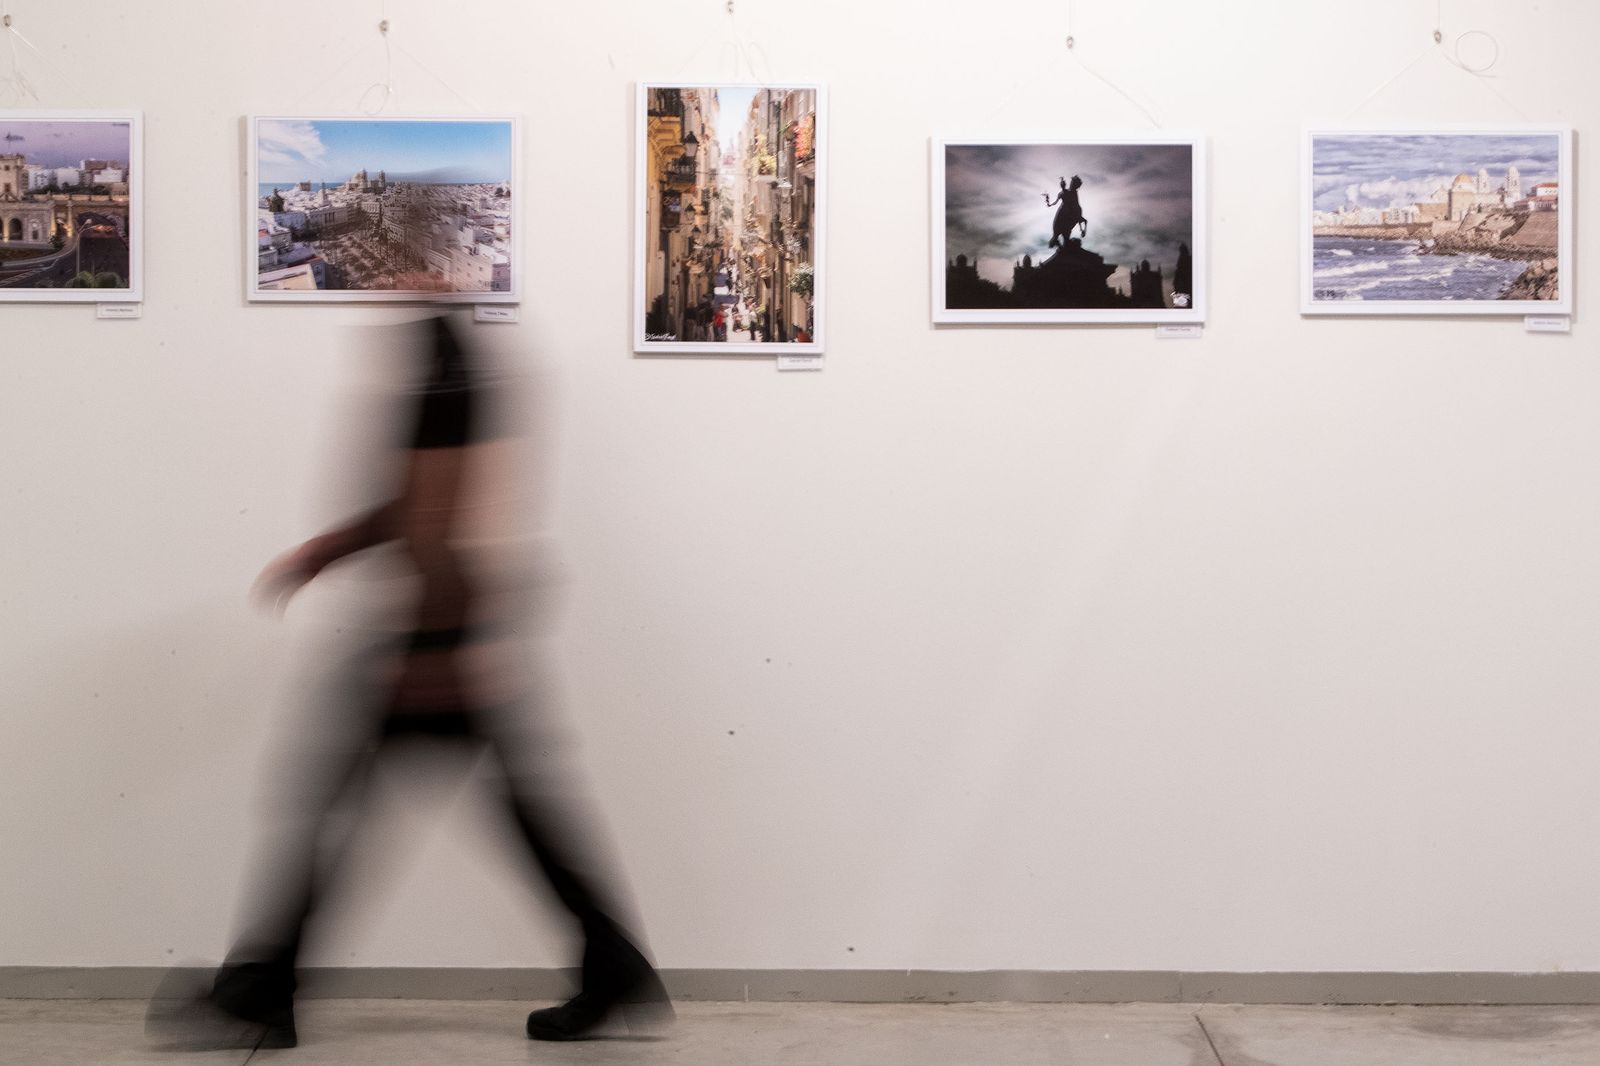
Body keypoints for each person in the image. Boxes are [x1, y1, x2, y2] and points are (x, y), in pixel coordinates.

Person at [146, 312, 669, 1051]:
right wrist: (329, 549)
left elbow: (443, 517)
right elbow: (422, 505)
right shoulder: (452, 370)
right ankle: (614, 967)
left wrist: (433, 654)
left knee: (335, 810)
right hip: (444, 637)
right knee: (518, 819)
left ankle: (261, 989)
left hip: (439, 642)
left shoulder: (448, 379)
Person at [1045, 175, 1087, 248]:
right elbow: (1056, 201)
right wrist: (1049, 204)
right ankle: (1059, 241)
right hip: (1062, 214)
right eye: (1072, 183)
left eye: (1074, 184)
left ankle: (1062, 242)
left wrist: (1082, 228)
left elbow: (1077, 207)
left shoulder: (1073, 194)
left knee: (1066, 235)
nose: (1072, 184)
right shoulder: (1066, 192)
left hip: (1068, 215)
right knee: (1063, 233)